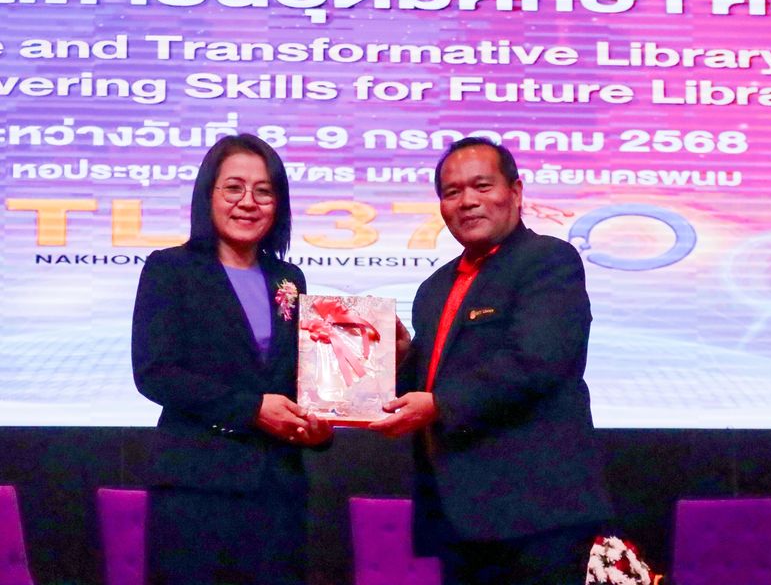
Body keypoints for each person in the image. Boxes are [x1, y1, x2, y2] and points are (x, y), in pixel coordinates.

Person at [370, 136, 614, 585]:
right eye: (452, 191)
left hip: (537, 514)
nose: (467, 201)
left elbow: (538, 362)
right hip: (458, 514)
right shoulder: (434, 287)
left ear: (515, 192)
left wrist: (438, 404)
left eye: (482, 186)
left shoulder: (547, 261)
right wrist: (401, 360)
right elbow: (433, 382)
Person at [131, 133, 332, 585]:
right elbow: (155, 372)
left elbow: (296, 377)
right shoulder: (171, 269)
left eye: (264, 191)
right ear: (209, 195)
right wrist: (252, 409)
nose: (248, 202)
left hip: (278, 490)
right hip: (196, 488)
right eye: (234, 188)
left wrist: (317, 425)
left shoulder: (288, 277)